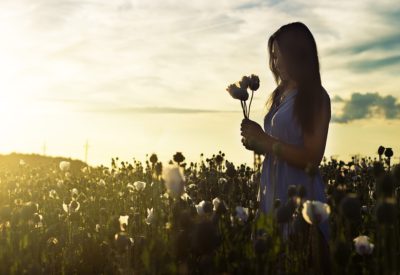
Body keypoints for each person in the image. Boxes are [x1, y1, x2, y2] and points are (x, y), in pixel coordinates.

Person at [240, 22, 331, 273]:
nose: (274, 62)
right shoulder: (279, 96)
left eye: (278, 54)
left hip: (301, 198)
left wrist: (265, 141)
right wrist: (258, 143)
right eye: (273, 55)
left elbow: (312, 158)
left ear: (295, 55)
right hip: (273, 195)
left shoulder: (315, 96)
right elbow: (280, 145)